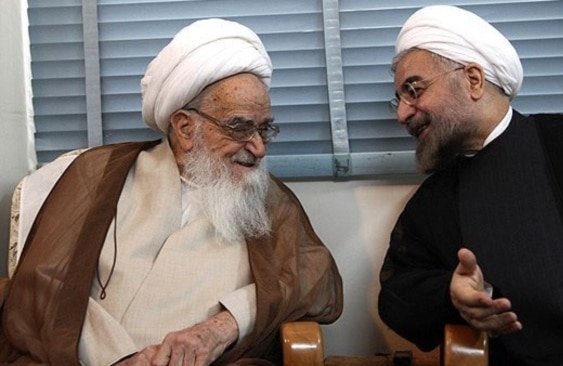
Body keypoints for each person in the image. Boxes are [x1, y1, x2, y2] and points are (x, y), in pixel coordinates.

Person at [0, 18, 343, 366]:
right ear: (184, 127)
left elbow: (313, 278)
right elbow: (46, 285)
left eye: (265, 129)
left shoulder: (266, 196)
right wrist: (122, 359)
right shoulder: (100, 173)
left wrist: (223, 326)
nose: (258, 148)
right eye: (240, 127)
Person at [378, 5, 563, 365]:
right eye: (400, 98)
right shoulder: (435, 200)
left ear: (473, 80)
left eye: (414, 89)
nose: (402, 114)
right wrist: (451, 294)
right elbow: (396, 296)